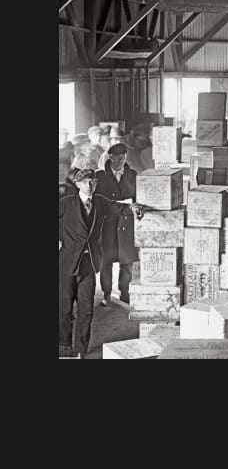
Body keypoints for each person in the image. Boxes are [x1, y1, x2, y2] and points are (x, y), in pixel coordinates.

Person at [59, 168, 143, 358]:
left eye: (93, 182)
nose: (90, 186)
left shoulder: (100, 202)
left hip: (89, 264)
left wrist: (132, 207)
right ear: (78, 184)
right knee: (64, 308)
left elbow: (118, 206)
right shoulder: (65, 204)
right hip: (66, 264)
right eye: (87, 182)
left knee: (86, 309)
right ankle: (64, 345)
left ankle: (81, 348)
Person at [95, 143, 139, 307]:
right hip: (108, 224)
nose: (121, 159)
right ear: (110, 157)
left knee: (126, 262)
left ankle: (125, 293)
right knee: (106, 261)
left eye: (124, 156)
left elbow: (138, 197)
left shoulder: (133, 175)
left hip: (126, 224)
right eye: (117, 156)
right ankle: (106, 293)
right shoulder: (99, 176)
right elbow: (97, 199)